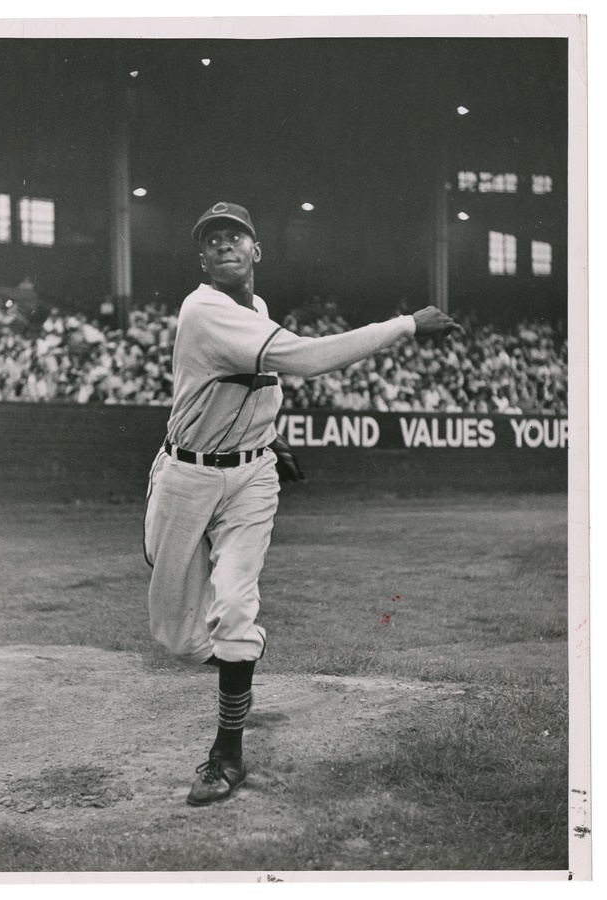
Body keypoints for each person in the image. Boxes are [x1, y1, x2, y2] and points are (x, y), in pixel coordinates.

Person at [143, 201, 460, 807]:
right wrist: (405, 325)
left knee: (234, 607)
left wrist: (267, 434)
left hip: (252, 477)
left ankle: (225, 752)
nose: (224, 246)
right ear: (202, 259)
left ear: (257, 250)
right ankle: (239, 675)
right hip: (186, 476)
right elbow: (303, 360)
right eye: (211, 241)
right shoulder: (203, 308)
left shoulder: (256, 308)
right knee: (179, 638)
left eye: (236, 236)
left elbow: (255, 384)